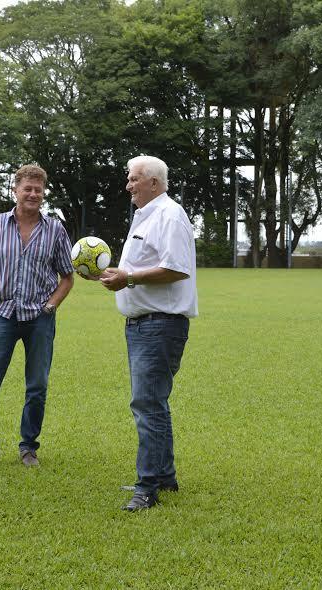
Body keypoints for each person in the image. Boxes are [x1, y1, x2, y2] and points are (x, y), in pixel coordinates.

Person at [100, 155, 198, 511]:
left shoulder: (169, 215)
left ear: (154, 183)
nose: (128, 186)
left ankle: (148, 487)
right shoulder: (148, 216)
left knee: (146, 404)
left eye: (133, 179)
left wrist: (129, 278)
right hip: (144, 324)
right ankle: (164, 476)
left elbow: (176, 268)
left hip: (160, 325)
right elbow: (144, 266)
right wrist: (121, 274)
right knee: (153, 402)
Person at [0, 164, 75, 469]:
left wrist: (51, 305)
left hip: (39, 318)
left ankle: (29, 447)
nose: (32, 194)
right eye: (27, 188)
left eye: (38, 190)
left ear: (43, 194)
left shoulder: (55, 229)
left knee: (37, 386)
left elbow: (67, 277)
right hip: (1, 315)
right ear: (15, 190)